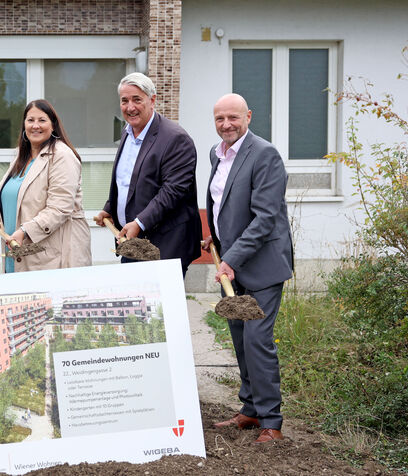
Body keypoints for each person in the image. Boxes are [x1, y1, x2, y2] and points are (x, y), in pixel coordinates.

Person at [203, 93, 294, 443]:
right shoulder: (217, 154)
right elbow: (224, 203)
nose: (226, 124)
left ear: (249, 117)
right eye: (220, 118)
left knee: (257, 340)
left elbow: (265, 217)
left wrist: (232, 258)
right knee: (240, 338)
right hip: (232, 264)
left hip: (262, 266)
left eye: (233, 118)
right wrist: (216, 238)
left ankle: (272, 422)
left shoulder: (265, 154)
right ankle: (251, 409)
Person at [93, 73, 201, 275]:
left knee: (159, 298)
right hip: (132, 242)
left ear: (152, 100)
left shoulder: (176, 139)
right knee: (133, 295)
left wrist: (139, 222)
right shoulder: (127, 132)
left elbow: (173, 191)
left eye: (137, 99)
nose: (130, 107)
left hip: (166, 245)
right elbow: (126, 181)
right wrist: (111, 208)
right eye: (124, 101)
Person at [0, 99, 91, 272]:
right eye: (30, 120)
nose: (35, 125)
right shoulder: (21, 156)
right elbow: (25, 199)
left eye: (42, 120)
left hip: (52, 257)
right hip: (17, 252)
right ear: (24, 125)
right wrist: (4, 218)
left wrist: (24, 231)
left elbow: (60, 208)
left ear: (53, 125)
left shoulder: (62, 156)